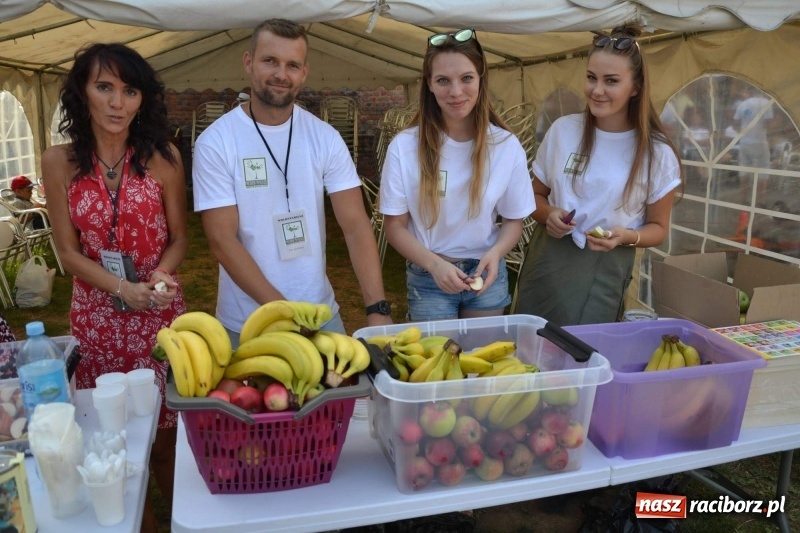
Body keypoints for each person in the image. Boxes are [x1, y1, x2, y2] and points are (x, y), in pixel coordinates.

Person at [41, 43, 187, 533]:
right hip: (97, 321)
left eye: (130, 91)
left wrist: (161, 274)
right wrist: (123, 289)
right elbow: (67, 253)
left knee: (165, 440)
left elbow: (180, 237)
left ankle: (184, 520)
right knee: (113, 440)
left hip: (158, 316)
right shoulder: (59, 161)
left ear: (143, 100)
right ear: (82, 93)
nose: (117, 102)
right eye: (104, 87)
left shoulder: (164, 157)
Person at [192, 18, 391, 345]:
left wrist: (377, 307)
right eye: (270, 61)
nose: (281, 74)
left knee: (346, 380)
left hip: (320, 314)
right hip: (248, 322)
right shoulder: (216, 142)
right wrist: (286, 315)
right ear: (248, 62)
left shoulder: (325, 137)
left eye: (292, 65)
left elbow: (355, 225)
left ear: (304, 72)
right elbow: (222, 239)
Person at [516, 23, 682, 326]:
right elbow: (534, 196)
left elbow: (658, 228)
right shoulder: (563, 131)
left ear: (635, 87)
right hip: (546, 259)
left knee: (585, 347)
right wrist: (549, 214)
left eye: (611, 81)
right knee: (529, 342)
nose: (597, 90)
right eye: (591, 77)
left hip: (606, 266)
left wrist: (627, 236)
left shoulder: (656, 153)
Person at [379, 28, 534, 321]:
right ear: (429, 84)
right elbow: (395, 226)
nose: (456, 92)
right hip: (429, 275)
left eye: (466, 78)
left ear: (481, 79)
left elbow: (514, 219)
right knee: (437, 353)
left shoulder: (505, 145)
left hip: (485, 275)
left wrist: (496, 253)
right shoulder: (404, 147)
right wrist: (435, 266)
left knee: (485, 352)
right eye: (443, 80)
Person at [733, 84, 774, 170]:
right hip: (760, 142)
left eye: (744, 91)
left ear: (749, 91)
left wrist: (743, 134)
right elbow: (768, 124)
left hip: (744, 143)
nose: (743, 93)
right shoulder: (765, 102)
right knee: (762, 170)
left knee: (744, 170)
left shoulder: (742, 104)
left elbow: (735, 123)